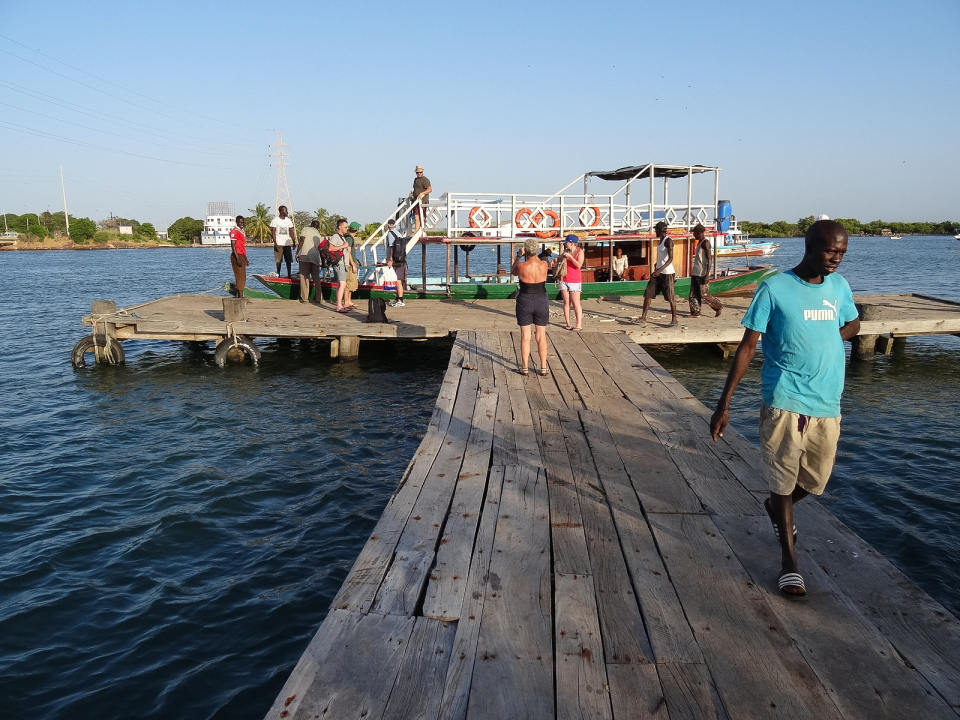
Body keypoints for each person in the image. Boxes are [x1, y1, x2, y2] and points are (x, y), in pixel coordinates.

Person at [709, 219, 860, 599]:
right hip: (784, 399)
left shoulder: (839, 287)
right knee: (781, 479)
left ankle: (778, 507)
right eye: (830, 250)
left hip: (828, 402)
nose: (837, 258)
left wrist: (827, 338)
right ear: (809, 247)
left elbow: (853, 323)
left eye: (842, 252)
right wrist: (723, 403)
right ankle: (789, 563)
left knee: (815, 481)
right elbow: (747, 346)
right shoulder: (774, 288)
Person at [511, 238, 550, 376]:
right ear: (537, 250)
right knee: (541, 335)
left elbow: (513, 271)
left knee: (525, 336)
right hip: (541, 298)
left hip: (525, 299)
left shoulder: (522, 266)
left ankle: (525, 367)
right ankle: (543, 367)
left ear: (526, 250)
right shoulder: (544, 265)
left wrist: (518, 256)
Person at [639, 221, 678, 326]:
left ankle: (674, 320)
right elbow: (662, 257)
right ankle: (643, 317)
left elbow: (670, 259)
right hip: (658, 272)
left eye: (656, 230)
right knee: (648, 293)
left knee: (670, 297)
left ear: (660, 231)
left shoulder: (668, 241)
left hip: (667, 273)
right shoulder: (660, 241)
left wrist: (659, 270)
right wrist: (657, 265)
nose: (655, 232)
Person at [688, 223, 723, 318]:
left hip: (702, 273)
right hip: (696, 271)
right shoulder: (699, 242)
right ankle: (695, 313)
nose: (693, 235)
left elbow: (709, 259)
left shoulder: (705, 243)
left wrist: (707, 274)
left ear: (699, 233)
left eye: (694, 233)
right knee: (693, 294)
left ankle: (718, 307)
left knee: (704, 294)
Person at [556, 234, 584, 331]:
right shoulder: (566, 251)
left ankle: (578, 324)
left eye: (566, 242)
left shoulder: (580, 252)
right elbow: (558, 259)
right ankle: (568, 323)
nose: (565, 243)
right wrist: (555, 260)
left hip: (575, 280)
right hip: (564, 279)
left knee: (576, 303)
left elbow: (579, 265)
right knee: (566, 303)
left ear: (572, 243)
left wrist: (571, 258)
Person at [329, 219, 356, 313]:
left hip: (344, 263)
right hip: (339, 262)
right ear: (340, 227)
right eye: (345, 227)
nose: (347, 228)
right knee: (343, 284)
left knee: (340, 284)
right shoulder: (336, 236)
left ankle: (339, 304)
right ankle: (339, 306)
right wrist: (343, 246)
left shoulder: (342, 237)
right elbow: (330, 248)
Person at [296, 220, 323, 304]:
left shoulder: (306, 229)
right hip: (315, 257)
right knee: (316, 278)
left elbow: (302, 240)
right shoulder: (319, 235)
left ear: (311, 224)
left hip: (305, 256)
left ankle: (304, 298)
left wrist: (297, 252)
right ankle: (319, 298)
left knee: (304, 277)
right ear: (318, 227)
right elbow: (321, 248)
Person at [384, 219, 407, 307]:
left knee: (397, 280)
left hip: (395, 260)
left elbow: (392, 247)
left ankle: (400, 299)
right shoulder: (398, 233)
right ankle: (398, 299)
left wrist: (390, 259)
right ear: (395, 225)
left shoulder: (390, 234)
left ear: (388, 226)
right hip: (401, 259)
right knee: (399, 280)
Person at [270, 205, 295, 278]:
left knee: (288, 260)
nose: (287, 212)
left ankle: (289, 275)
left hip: (286, 244)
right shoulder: (275, 220)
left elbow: (291, 231)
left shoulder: (288, 220)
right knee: (279, 260)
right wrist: (275, 243)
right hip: (279, 243)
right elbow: (273, 233)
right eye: (285, 211)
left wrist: (293, 241)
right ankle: (278, 274)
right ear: (281, 211)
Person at [229, 215, 249, 297]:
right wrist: (237, 258)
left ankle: (241, 293)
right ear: (237, 222)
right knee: (239, 275)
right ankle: (240, 295)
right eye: (240, 222)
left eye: (242, 222)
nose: (241, 223)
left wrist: (245, 258)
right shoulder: (234, 231)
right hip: (236, 255)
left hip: (242, 254)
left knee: (243, 276)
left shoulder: (242, 231)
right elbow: (233, 245)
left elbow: (242, 246)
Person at [410, 165, 432, 234]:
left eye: (420, 172)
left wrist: (422, 193)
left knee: (422, 216)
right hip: (416, 201)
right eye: (417, 172)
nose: (419, 174)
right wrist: (412, 194)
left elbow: (430, 189)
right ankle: (417, 231)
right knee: (416, 216)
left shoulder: (425, 180)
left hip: (423, 201)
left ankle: (422, 231)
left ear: (423, 172)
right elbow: (416, 189)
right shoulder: (416, 180)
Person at [343, 221, 361, 310]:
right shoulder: (349, 238)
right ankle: (346, 302)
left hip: (350, 263)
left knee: (352, 284)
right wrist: (353, 264)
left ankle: (349, 301)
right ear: (356, 230)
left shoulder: (348, 238)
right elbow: (348, 251)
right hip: (350, 264)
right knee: (349, 283)